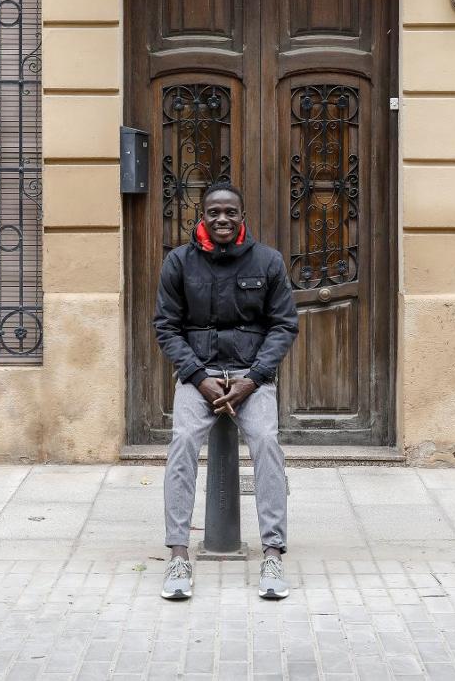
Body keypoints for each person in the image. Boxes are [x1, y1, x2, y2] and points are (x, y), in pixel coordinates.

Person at [153, 182, 299, 600]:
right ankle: (178, 554)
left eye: (229, 212)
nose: (221, 219)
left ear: (242, 217)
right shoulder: (178, 263)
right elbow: (166, 326)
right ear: (202, 215)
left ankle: (273, 551)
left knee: (268, 444)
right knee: (181, 443)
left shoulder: (268, 261)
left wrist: (252, 379)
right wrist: (199, 377)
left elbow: (284, 324)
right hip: (198, 376)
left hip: (251, 377)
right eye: (214, 212)